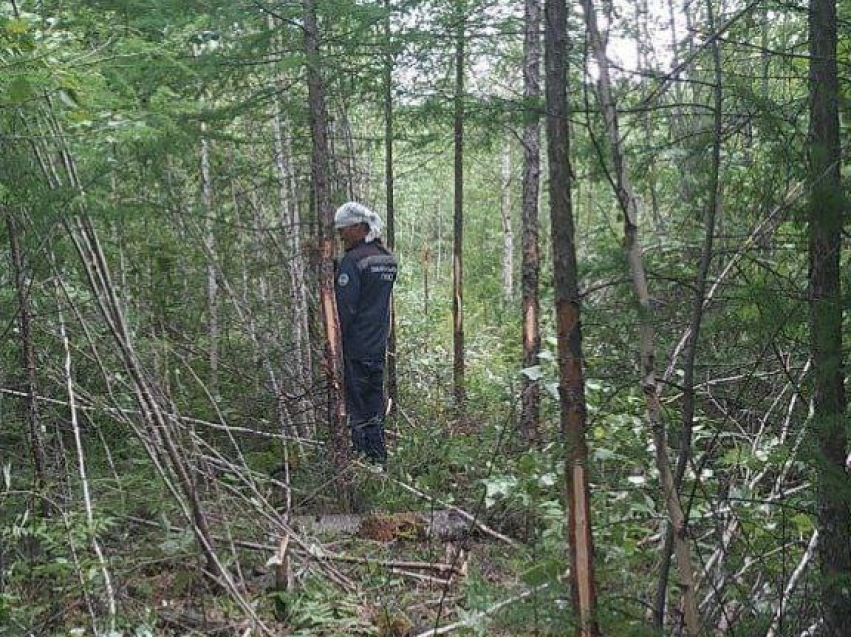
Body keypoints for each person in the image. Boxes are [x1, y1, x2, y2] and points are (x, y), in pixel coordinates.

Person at [333, 201, 398, 466]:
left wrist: (334, 347)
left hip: (355, 348)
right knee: (374, 405)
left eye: (344, 230)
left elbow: (344, 310)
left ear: (359, 228)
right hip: (377, 346)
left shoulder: (353, 262)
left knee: (358, 409)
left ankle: (362, 463)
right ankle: (379, 459)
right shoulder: (386, 259)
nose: (340, 236)